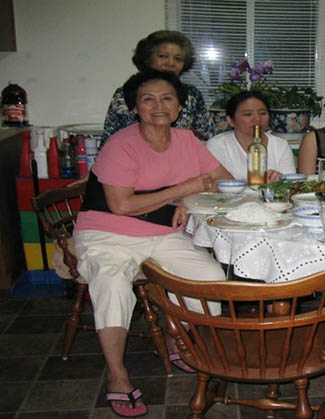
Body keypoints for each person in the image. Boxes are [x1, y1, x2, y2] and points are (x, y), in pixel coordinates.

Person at [73, 70, 232, 417]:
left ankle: (177, 337)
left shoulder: (188, 140)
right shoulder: (121, 144)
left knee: (210, 279)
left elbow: (225, 182)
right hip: (107, 233)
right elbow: (121, 205)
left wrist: (187, 201)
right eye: (148, 99)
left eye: (167, 98)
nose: (159, 106)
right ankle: (117, 375)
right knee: (112, 285)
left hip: (161, 233)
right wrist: (184, 188)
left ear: (179, 107)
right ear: (134, 108)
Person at [101, 30, 215, 147]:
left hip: (181, 155)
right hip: (134, 154)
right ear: (148, 59)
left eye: (177, 58)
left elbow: (208, 136)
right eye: (163, 56)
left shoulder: (192, 94)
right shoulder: (126, 93)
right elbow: (109, 141)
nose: (171, 63)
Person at [206, 91, 296, 182]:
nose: (257, 119)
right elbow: (214, 184)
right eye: (248, 114)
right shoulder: (217, 145)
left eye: (262, 113)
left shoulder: (280, 145)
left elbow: (291, 183)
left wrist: (280, 179)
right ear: (231, 121)